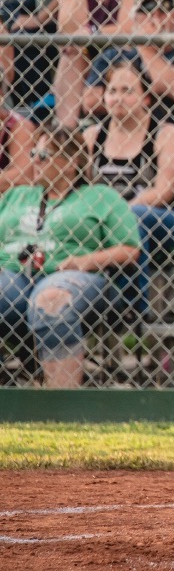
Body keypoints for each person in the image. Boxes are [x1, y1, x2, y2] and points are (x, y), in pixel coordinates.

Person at [0, 124, 140, 387]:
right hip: (13, 275)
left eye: (44, 156)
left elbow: (130, 249)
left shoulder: (100, 196)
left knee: (51, 300)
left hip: (73, 277)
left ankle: (61, 401)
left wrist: (84, 261)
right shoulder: (16, 195)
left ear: (71, 162)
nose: (35, 161)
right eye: (33, 154)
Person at [83, 60, 174, 308]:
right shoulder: (92, 137)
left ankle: (131, 306)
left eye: (128, 91)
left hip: (162, 221)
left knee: (135, 216)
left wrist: (120, 213)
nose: (118, 98)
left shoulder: (166, 134)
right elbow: (81, 188)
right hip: (102, 220)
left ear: (146, 98)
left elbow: (164, 192)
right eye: (112, 91)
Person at [84, 0, 174, 152]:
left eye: (164, 9)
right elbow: (90, 101)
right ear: (135, 19)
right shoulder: (113, 56)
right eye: (146, 9)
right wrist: (161, 83)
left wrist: (145, 48)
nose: (154, 16)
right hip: (121, 149)